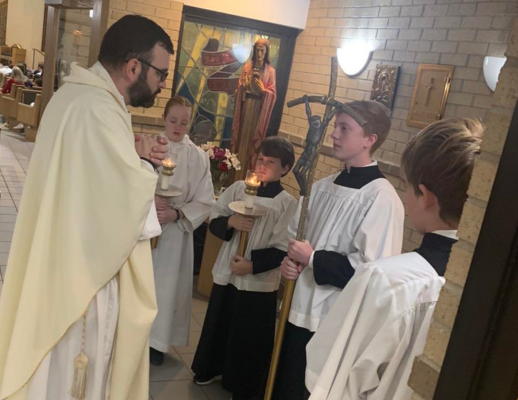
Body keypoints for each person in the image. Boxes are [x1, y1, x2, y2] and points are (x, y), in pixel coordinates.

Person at [0, 15, 174, 400]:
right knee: (70, 373)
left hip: (56, 260)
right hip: (82, 279)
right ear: (134, 66)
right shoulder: (97, 109)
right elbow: (116, 205)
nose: (161, 85)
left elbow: (89, 178)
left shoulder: (77, 96)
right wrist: (146, 170)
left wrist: (131, 153)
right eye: (160, 74)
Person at [304, 118, 483, 400]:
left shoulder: (385, 281)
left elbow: (329, 380)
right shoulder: (488, 288)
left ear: (424, 196)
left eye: (406, 184)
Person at [274, 100, 405, 400]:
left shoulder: (381, 199)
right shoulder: (321, 187)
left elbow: (374, 273)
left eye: (344, 128)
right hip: (296, 308)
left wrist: (313, 259)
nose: (333, 134)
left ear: (370, 139)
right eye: (336, 126)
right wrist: (289, 262)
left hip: (332, 321)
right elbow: (295, 239)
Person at [192, 137, 298, 400]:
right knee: (220, 320)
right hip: (229, 270)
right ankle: (210, 367)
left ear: (285, 169)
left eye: (271, 162)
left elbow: (283, 245)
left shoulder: (287, 203)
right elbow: (214, 218)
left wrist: (251, 266)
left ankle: (242, 382)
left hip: (257, 281)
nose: (262, 166)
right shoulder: (239, 188)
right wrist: (231, 222)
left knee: (247, 334)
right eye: (260, 159)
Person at [149, 96, 216, 366]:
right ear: (164, 119)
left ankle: (157, 342)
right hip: (145, 226)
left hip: (175, 232)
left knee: (166, 287)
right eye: (173, 121)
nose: (178, 127)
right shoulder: (150, 148)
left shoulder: (197, 157)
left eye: (184, 122)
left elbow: (205, 199)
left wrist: (175, 213)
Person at [231, 39, 277, 179]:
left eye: (262, 50)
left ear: (266, 52)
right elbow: (239, 90)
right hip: (246, 108)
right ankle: (235, 176)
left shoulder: (270, 71)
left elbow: (273, 94)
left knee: (254, 142)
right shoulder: (247, 68)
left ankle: (249, 176)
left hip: (258, 110)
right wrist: (243, 88)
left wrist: (264, 91)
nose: (259, 53)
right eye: (257, 50)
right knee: (241, 140)